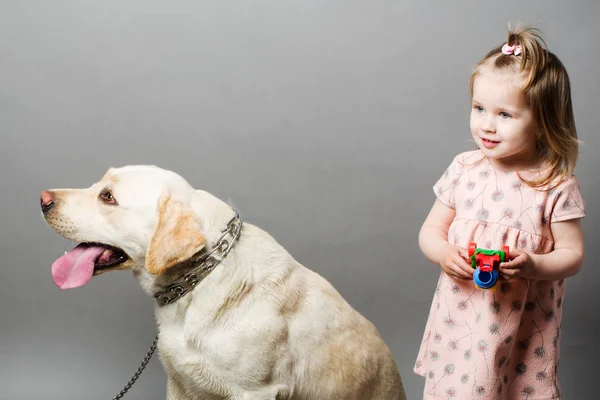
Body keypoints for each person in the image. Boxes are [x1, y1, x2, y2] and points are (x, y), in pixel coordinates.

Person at [414, 25, 586, 399]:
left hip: (521, 326)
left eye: (505, 115)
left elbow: (573, 256)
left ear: (543, 121)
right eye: (479, 108)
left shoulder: (555, 185)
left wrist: (533, 266)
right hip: (461, 321)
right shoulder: (464, 169)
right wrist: (444, 253)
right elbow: (429, 232)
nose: (486, 125)